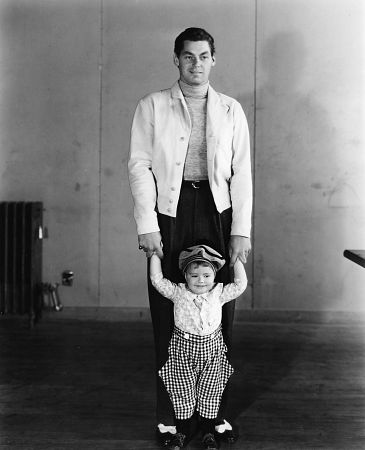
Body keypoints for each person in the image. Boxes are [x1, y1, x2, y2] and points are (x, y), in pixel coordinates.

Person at [128, 27, 252, 446]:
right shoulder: (152, 106)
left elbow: (242, 175)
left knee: (220, 315)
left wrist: (240, 231)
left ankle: (214, 418)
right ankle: (172, 421)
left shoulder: (232, 110)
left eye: (203, 56)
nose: (195, 64)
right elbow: (139, 165)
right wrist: (147, 224)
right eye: (187, 57)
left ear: (214, 59)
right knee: (168, 312)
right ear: (176, 60)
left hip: (217, 212)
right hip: (170, 211)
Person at [150, 244, 247, 450]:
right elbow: (157, 280)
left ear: (214, 276)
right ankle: (182, 432)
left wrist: (237, 259)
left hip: (211, 352)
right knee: (182, 391)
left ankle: (208, 432)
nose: (201, 281)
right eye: (194, 276)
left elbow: (240, 285)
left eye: (206, 275)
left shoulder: (218, 293)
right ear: (185, 276)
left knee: (210, 391)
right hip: (183, 352)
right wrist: (154, 256)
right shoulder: (178, 292)